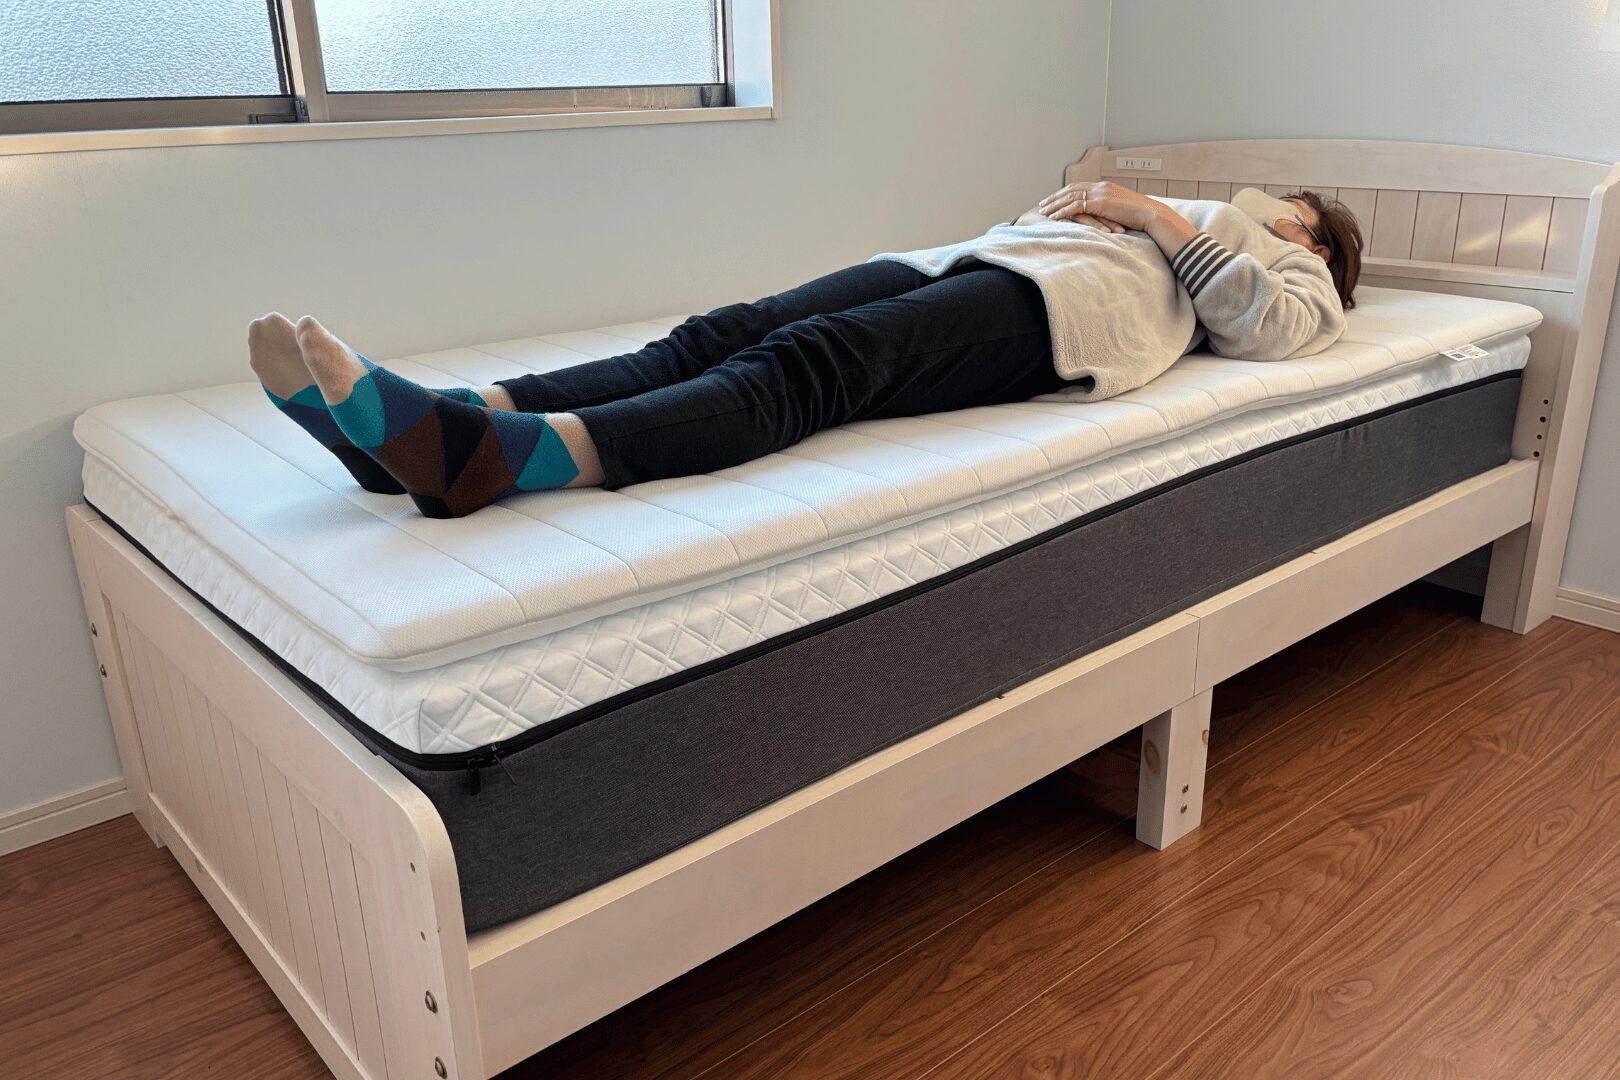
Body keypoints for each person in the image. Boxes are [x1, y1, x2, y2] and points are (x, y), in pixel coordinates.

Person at [249, 183, 1363, 518]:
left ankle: (495, 463)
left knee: (812, 365)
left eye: (1294, 206)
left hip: (1060, 314)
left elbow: (1273, 333)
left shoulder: (1283, 257)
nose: (1268, 198)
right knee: (717, 333)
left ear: (1315, 238)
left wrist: (1153, 217)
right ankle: (415, 434)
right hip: (968, 261)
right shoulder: (1180, 208)